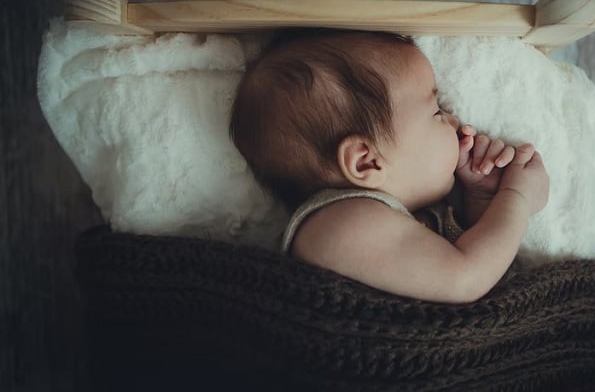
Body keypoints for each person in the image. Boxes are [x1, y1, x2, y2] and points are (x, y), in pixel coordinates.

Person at [230, 29, 549, 304]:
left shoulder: (400, 216)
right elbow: (464, 278)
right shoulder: (339, 225)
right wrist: (516, 198)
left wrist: (481, 197)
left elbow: (483, 273)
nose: (454, 119)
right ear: (365, 161)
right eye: (436, 112)